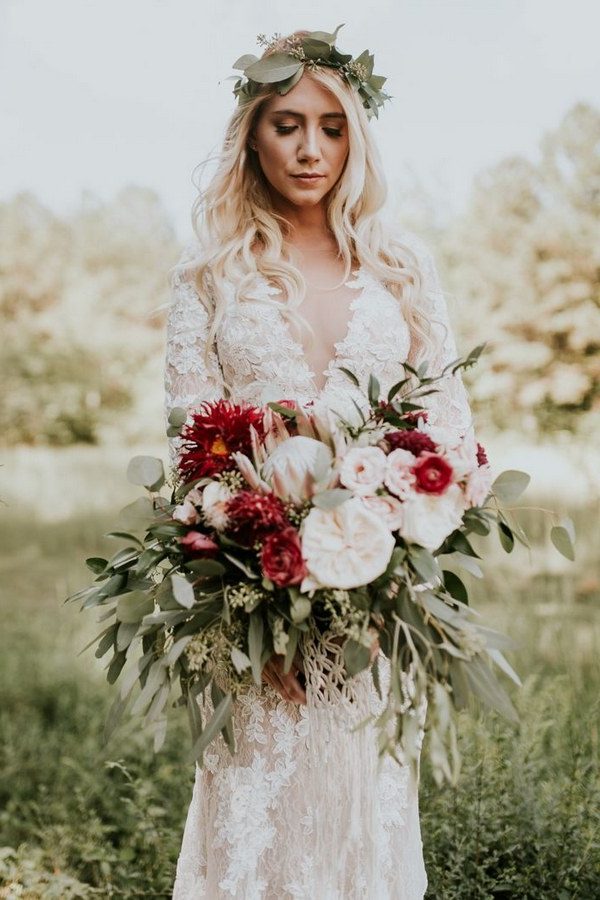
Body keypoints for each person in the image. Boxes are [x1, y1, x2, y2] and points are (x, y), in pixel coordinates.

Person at [165, 26, 473, 900]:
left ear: (358, 136)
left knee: (355, 815)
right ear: (252, 135)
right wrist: (251, 586)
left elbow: (447, 432)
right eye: (288, 123)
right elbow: (194, 447)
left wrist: (386, 580)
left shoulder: (404, 267)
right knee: (260, 817)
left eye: (332, 126)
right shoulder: (208, 276)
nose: (310, 148)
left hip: (378, 604)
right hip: (252, 607)